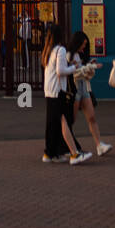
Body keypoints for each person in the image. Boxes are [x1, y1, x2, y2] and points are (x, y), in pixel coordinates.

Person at [42, 23, 91, 165]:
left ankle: (50, 152)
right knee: (63, 121)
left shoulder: (49, 50)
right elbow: (61, 71)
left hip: (49, 90)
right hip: (58, 90)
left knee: (53, 123)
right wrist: (74, 67)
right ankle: (74, 153)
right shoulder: (61, 50)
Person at [67, 30, 111, 157]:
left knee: (91, 116)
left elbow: (83, 72)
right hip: (74, 89)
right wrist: (91, 67)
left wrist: (89, 66)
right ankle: (68, 146)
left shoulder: (80, 55)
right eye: (83, 44)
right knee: (71, 120)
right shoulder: (69, 55)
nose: (84, 47)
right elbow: (73, 73)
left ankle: (99, 145)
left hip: (84, 88)